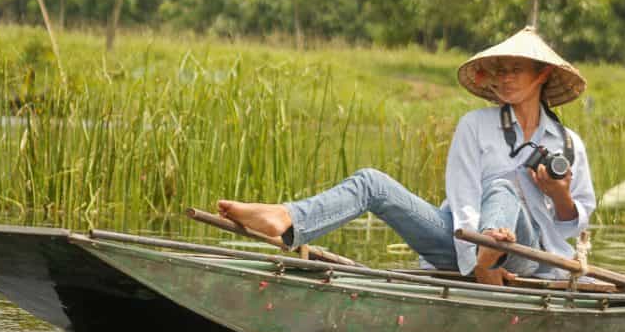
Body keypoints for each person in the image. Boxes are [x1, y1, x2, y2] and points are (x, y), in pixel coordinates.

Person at [217, 26, 596, 285]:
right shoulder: (475, 125)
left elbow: (571, 226)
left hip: (526, 255)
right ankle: (286, 219)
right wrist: (479, 252)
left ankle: (492, 253)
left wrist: (558, 193)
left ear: (542, 74)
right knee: (371, 181)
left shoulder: (568, 143)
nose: (508, 78)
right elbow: (463, 200)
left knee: (501, 187)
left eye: (518, 70)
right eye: (503, 70)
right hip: (464, 245)